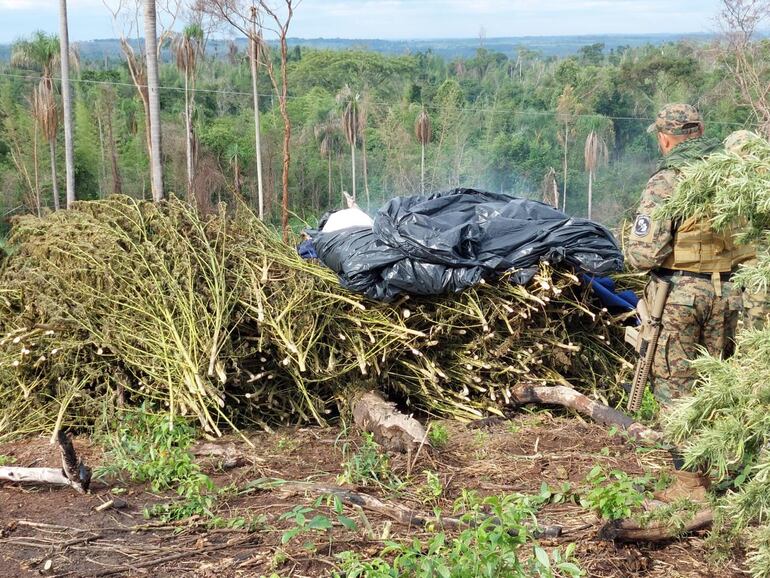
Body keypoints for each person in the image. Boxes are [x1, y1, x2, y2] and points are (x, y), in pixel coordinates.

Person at [625, 104, 756, 408]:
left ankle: (680, 456)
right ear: (701, 131)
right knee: (720, 391)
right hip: (730, 294)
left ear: (665, 139)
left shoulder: (668, 180)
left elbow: (644, 255)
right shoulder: (733, 174)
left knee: (676, 392)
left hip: (681, 298)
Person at [724, 130, 770, 329]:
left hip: (758, 267)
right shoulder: (729, 186)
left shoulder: (762, 185)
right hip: (736, 266)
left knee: (756, 322)